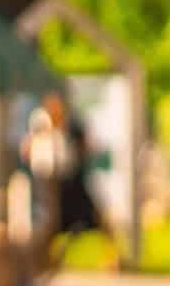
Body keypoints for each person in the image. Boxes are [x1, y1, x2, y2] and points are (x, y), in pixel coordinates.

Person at [25, 92, 113, 267]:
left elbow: (87, 146)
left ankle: (110, 259)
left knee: (90, 219)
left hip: (70, 180)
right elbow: (29, 149)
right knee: (51, 223)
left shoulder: (72, 127)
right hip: (48, 181)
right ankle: (46, 260)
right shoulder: (39, 125)